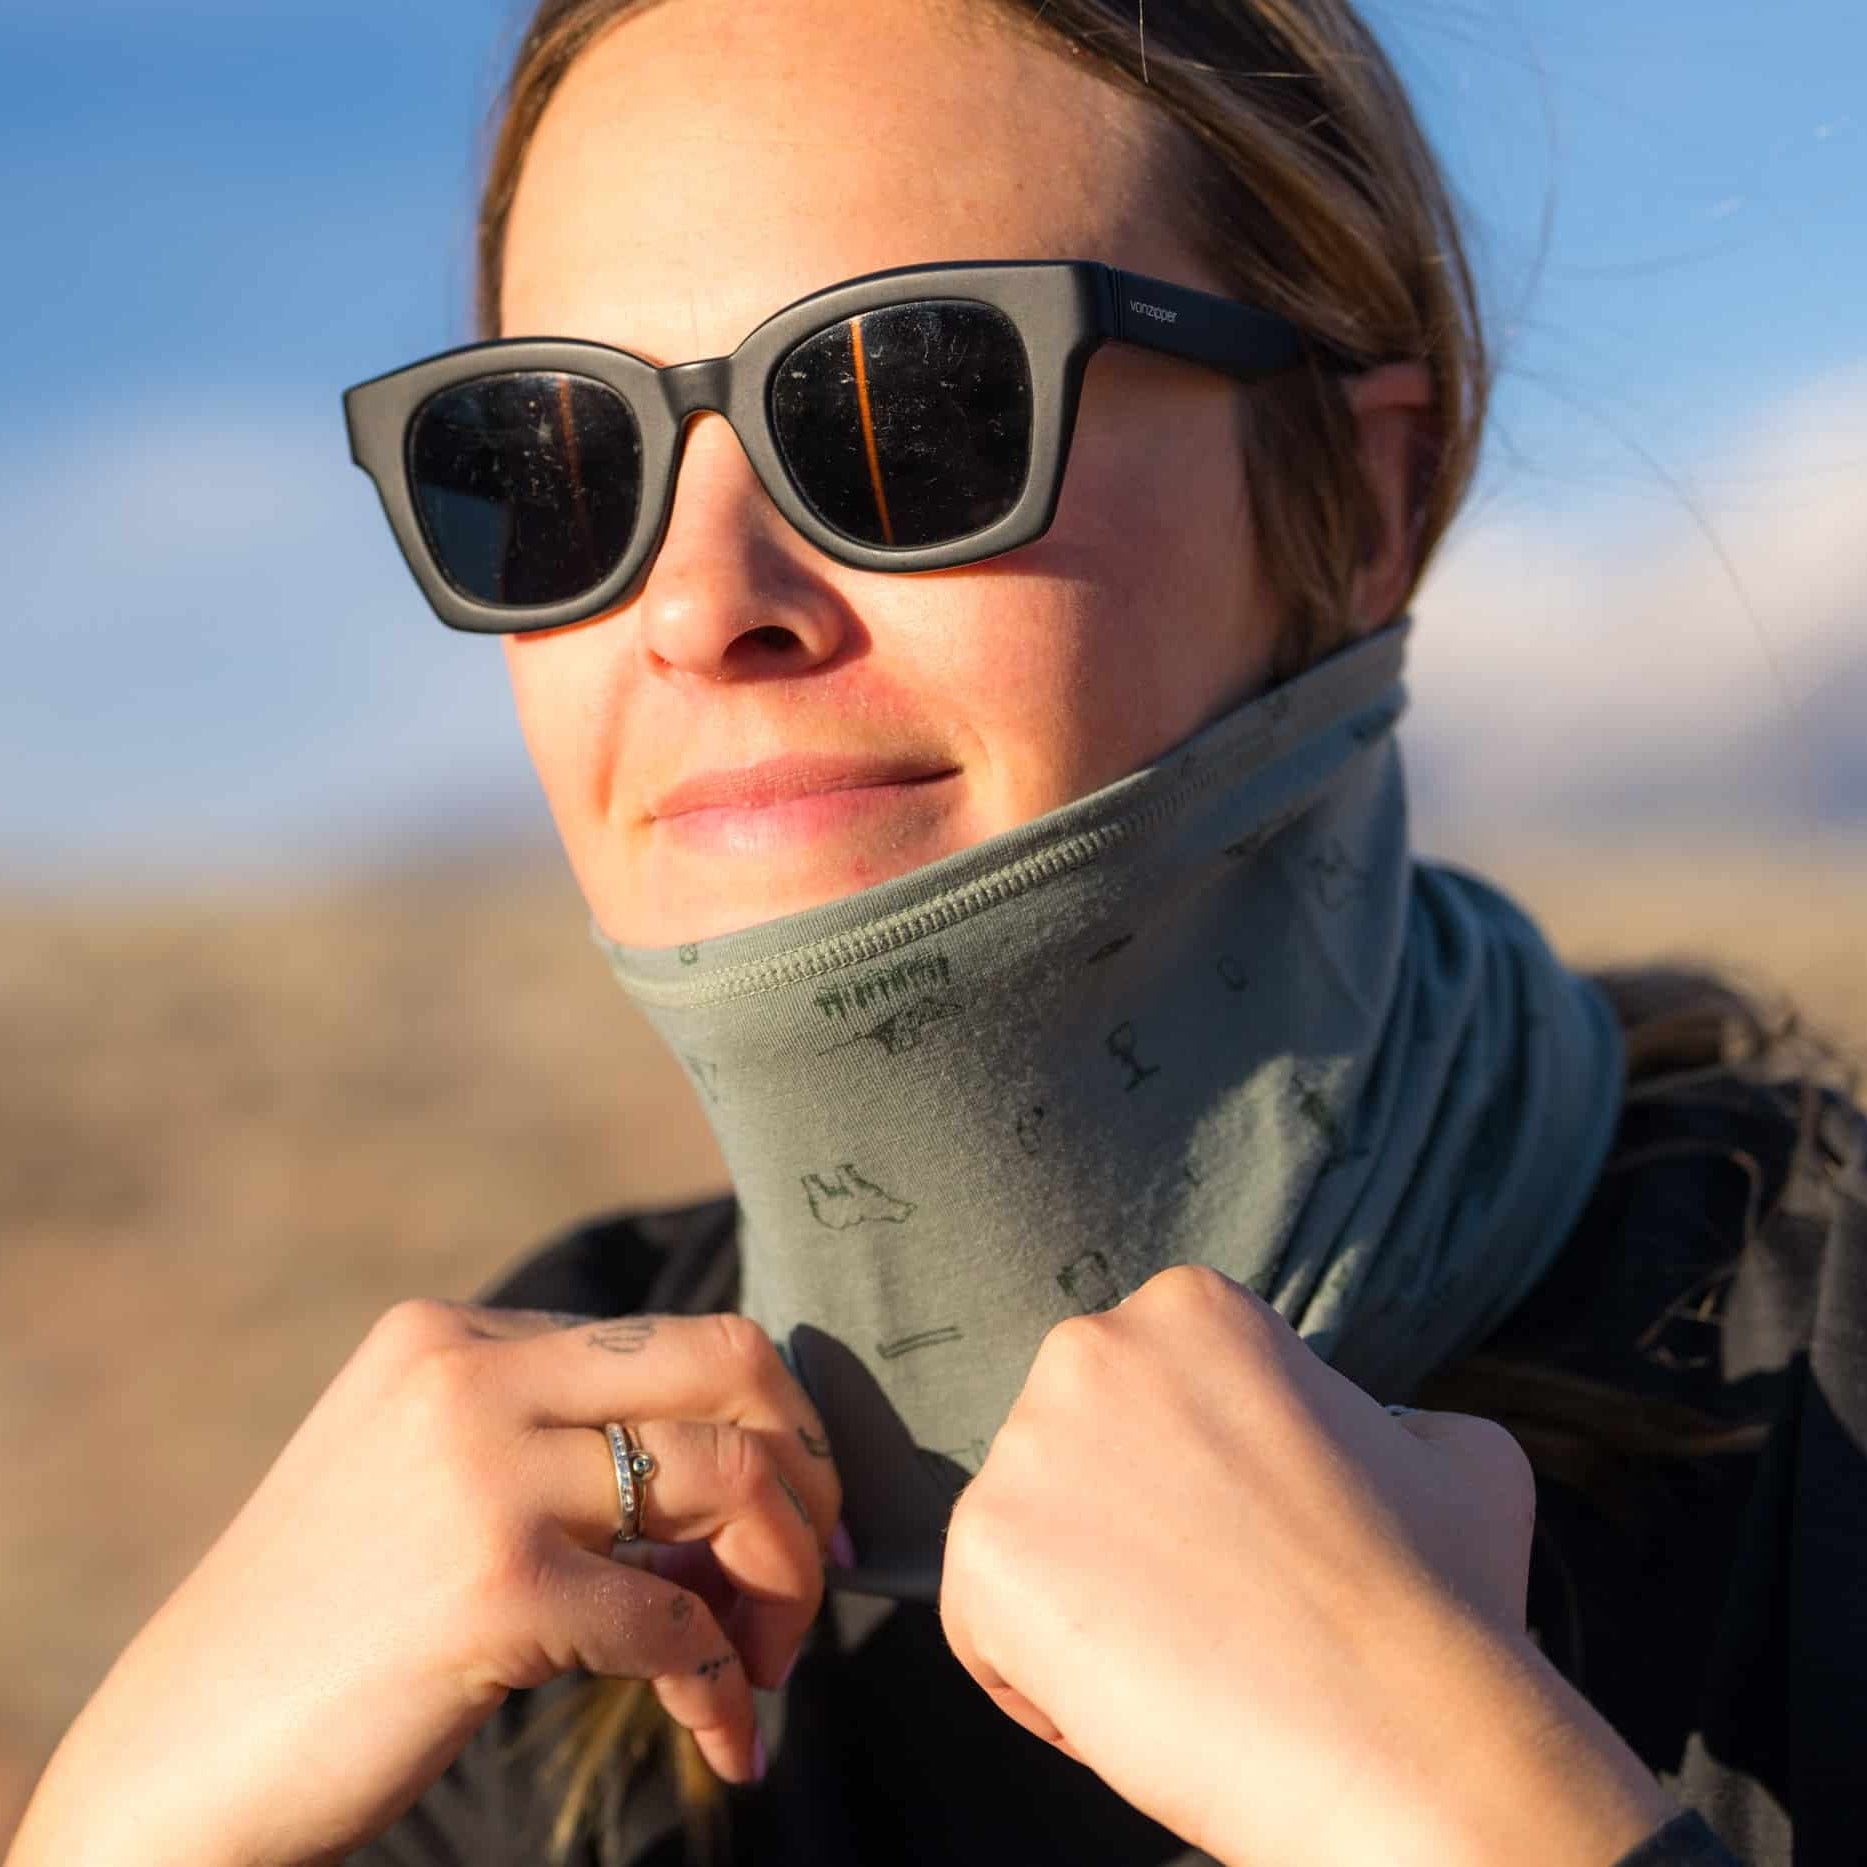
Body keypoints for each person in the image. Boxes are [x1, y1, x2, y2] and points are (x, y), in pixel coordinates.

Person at [9, 0, 1862, 1863]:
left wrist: (1474, 1813)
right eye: (555, 460)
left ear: (1360, 500)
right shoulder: (494, 1568)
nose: (697, 606)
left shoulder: (1825, 1394)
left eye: (911, 412)